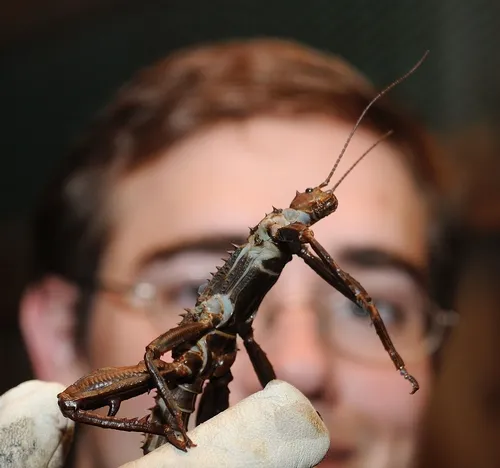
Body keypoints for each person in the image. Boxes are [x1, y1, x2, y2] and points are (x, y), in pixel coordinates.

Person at [18, 38, 451, 468]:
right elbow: (154, 355)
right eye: (187, 286)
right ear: (60, 335)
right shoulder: (272, 244)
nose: (302, 368)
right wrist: (157, 427)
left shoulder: (287, 247)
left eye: (368, 312)